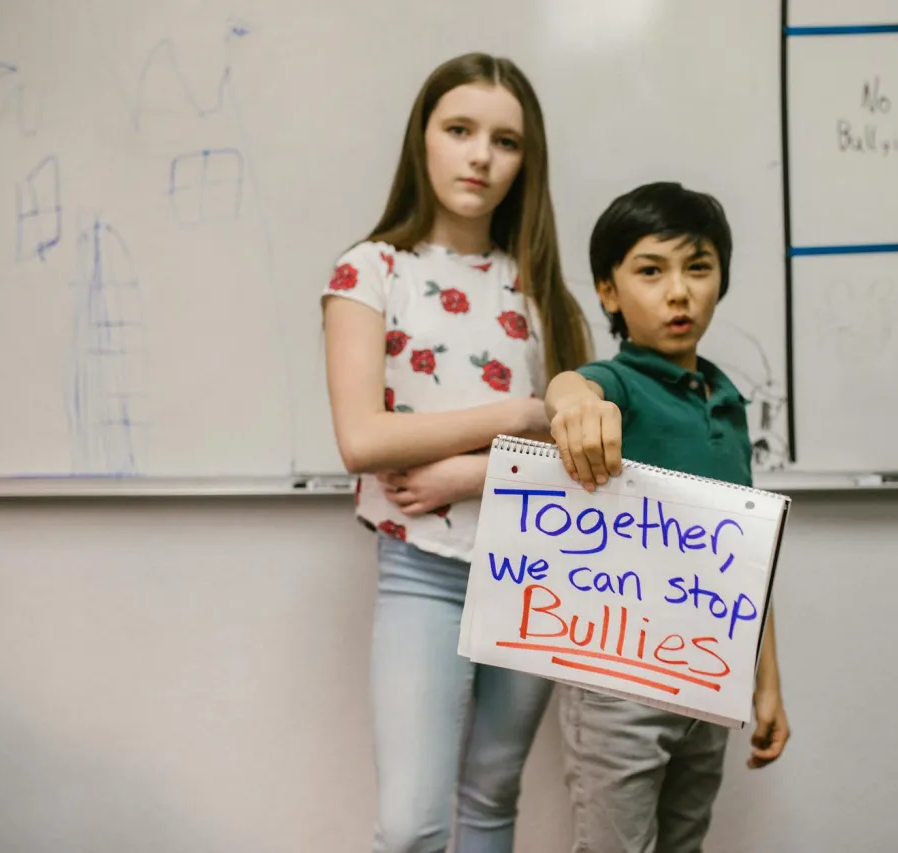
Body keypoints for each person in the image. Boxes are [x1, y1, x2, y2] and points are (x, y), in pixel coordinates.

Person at [320, 53, 592, 853]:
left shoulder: (543, 289)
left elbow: (585, 459)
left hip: (532, 564)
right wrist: (522, 412)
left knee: (491, 795)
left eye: (506, 141)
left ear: (526, 161)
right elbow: (362, 439)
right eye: (460, 130)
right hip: (424, 571)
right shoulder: (370, 271)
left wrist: (471, 470)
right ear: (423, 140)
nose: (481, 156)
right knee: (411, 824)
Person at [543, 181, 790, 853]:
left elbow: (746, 552)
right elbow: (572, 386)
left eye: (698, 268)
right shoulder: (617, 385)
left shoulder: (729, 401)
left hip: (709, 676)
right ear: (609, 290)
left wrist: (765, 682)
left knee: (686, 843)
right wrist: (572, 403)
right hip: (619, 682)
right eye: (651, 270)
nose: (678, 291)